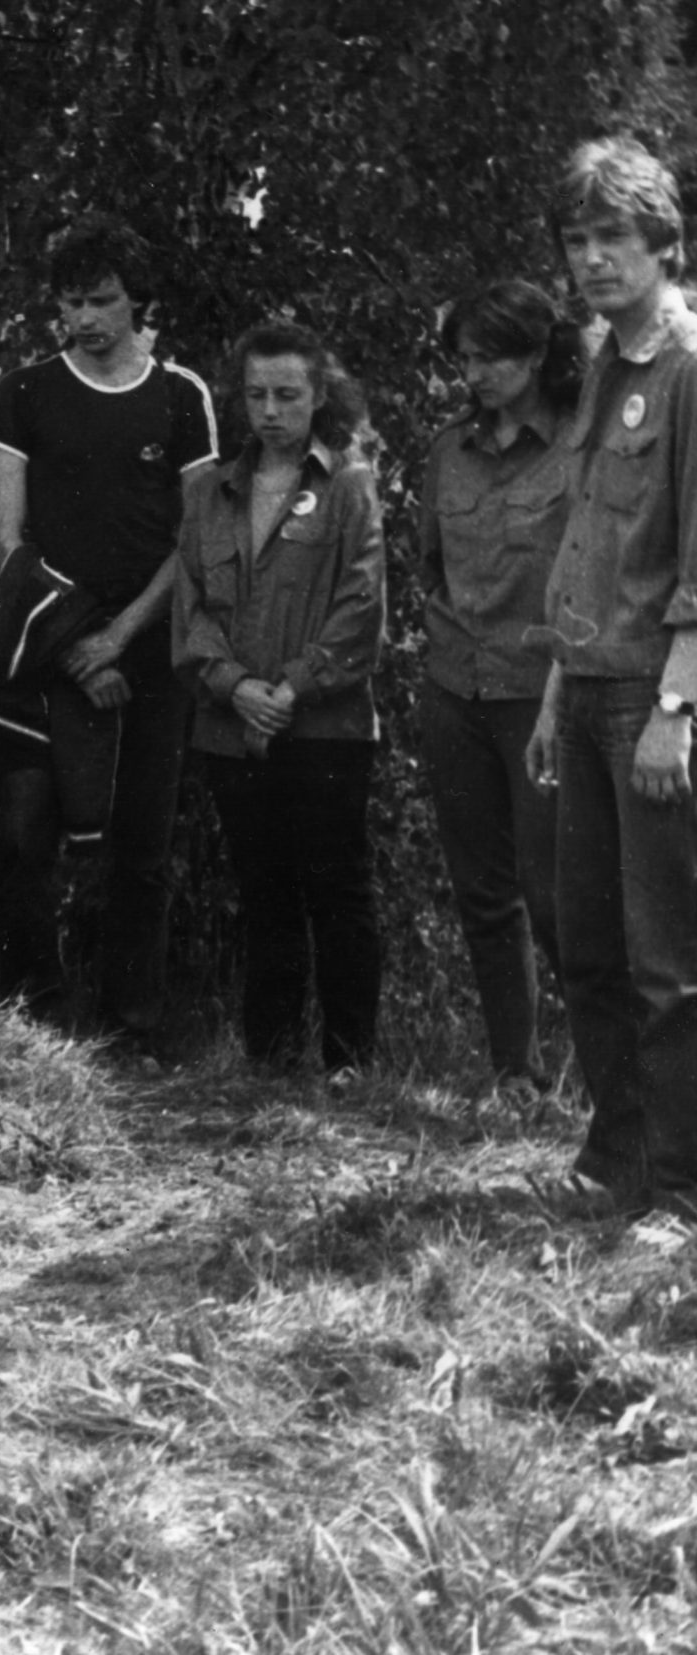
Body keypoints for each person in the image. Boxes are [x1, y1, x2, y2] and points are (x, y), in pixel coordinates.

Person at [0, 215, 217, 1040]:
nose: (86, 318)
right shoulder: (25, 391)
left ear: (135, 301)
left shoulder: (181, 396)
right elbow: (3, 537)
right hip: (43, 647)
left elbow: (196, 540)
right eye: (72, 301)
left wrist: (119, 639)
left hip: (148, 653)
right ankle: (29, 1021)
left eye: (103, 300)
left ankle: (130, 1027)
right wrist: (77, 642)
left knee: (141, 848)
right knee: (25, 834)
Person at [524, 137, 697, 1212]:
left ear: (664, 244)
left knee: (667, 958)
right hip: (586, 684)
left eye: (612, 238)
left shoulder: (688, 367)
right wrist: (555, 691)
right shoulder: (604, 358)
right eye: (576, 239)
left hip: (655, 693)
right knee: (586, 941)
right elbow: (589, 537)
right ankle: (617, 1157)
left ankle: (681, 1190)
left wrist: (677, 706)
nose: (590, 258)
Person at [173, 323, 385, 1079]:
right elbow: (191, 609)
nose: (270, 411)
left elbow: (362, 604)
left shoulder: (349, 484)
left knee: (337, 890)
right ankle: (269, 1061)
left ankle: (349, 1062)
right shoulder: (210, 491)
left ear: (318, 395)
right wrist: (235, 687)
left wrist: (292, 687)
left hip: (326, 729)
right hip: (230, 729)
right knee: (264, 894)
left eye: (287, 395)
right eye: (257, 394)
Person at [420, 280, 579, 1093]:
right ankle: (517, 1072)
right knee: (482, 893)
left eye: (492, 358)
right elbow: (430, 563)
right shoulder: (449, 450)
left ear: (539, 354)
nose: (475, 375)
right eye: (466, 359)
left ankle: (609, 1077)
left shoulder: (579, 447)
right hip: (456, 691)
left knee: (558, 897)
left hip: (544, 699)